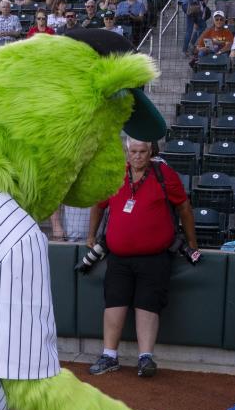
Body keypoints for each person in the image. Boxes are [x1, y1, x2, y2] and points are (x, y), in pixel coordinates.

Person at [85, 138, 199, 378]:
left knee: (148, 304)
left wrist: (192, 243)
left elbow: (184, 209)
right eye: (133, 151)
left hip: (154, 256)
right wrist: (90, 236)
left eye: (143, 151)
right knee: (114, 302)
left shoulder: (164, 174)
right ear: (127, 152)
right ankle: (109, 355)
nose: (138, 156)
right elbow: (98, 205)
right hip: (118, 256)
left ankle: (145, 358)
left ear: (151, 152)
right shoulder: (116, 175)